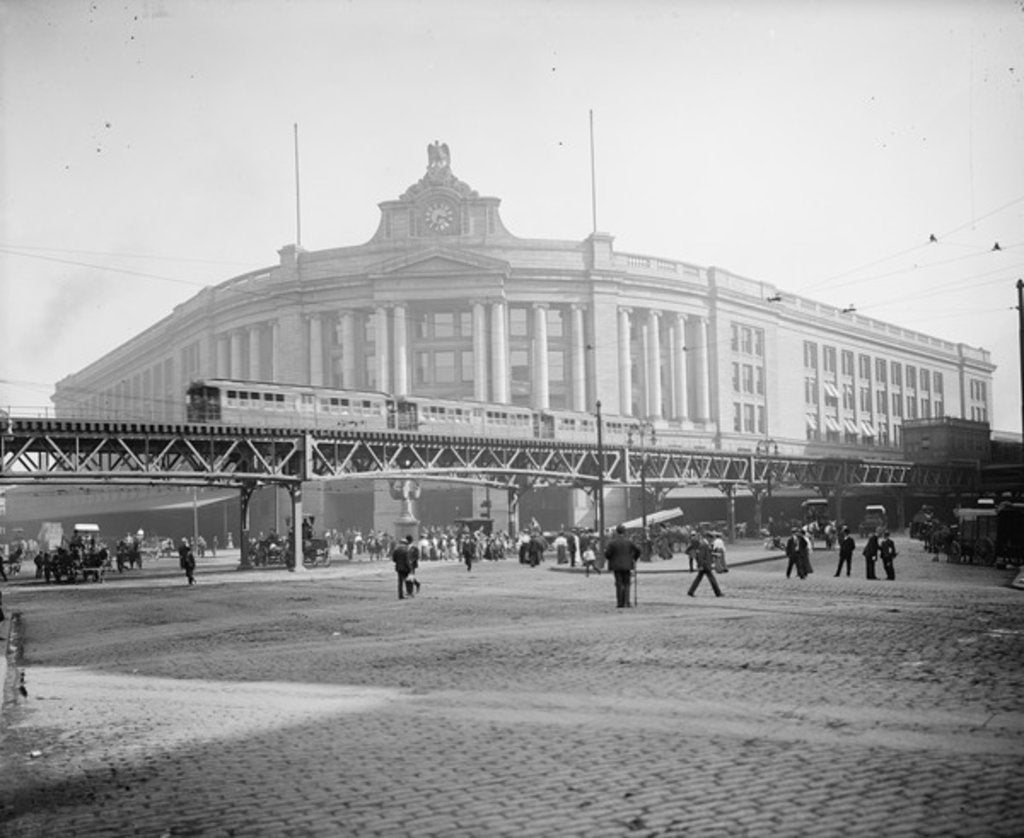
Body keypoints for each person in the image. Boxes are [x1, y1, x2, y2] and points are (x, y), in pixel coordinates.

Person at [604, 524, 640, 608]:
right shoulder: (629, 542)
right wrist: (634, 558)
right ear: (625, 532)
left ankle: (620, 603)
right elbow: (638, 550)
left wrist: (611, 558)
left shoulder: (612, 543)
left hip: (616, 566)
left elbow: (607, 554)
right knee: (627, 584)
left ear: (616, 532)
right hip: (627, 565)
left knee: (619, 584)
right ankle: (627, 602)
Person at [687, 533, 723, 598]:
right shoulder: (703, 545)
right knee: (712, 579)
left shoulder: (705, 544)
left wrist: (715, 554)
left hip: (705, 565)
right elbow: (701, 556)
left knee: (698, 579)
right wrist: (701, 565)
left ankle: (691, 591)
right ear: (708, 538)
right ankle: (718, 593)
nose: (712, 540)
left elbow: (707, 553)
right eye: (711, 538)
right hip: (705, 565)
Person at [392, 535, 414, 600]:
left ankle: (400, 595)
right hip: (405, 568)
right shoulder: (405, 550)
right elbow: (407, 561)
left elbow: (394, 559)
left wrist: (398, 562)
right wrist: (410, 568)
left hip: (399, 568)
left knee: (400, 582)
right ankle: (409, 592)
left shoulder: (396, 550)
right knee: (408, 581)